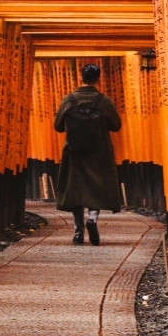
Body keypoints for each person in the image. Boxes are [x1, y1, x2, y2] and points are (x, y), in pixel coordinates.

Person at [53, 62, 123, 245]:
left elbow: (58, 126)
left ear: (80, 77)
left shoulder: (69, 100)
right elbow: (116, 125)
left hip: (74, 152)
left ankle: (78, 232)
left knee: (76, 190)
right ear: (98, 79)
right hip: (99, 151)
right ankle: (92, 218)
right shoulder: (103, 101)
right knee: (96, 187)